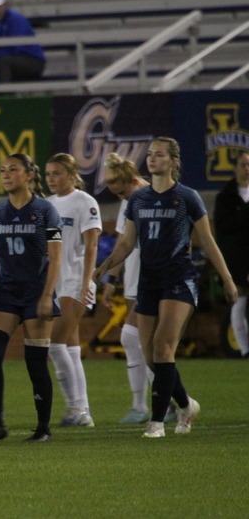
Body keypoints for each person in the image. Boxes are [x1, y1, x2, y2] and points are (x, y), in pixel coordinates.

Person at [94, 137, 238, 438]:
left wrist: (226, 278)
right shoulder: (138, 199)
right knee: (149, 354)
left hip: (179, 279)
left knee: (162, 346)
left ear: (173, 161)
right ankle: (186, 404)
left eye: (159, 155)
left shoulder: (187, 196)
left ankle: (157, 422)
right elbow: (127, 242)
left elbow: (208, 241)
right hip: (149, 281)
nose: (152, 159)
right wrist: (104, 268)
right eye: (150, 154)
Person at [0, 153, 61, 444]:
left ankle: (43, 428)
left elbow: (55, 257)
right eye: (2, 170)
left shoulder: (45, 211)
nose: (6, 174)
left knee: (35, 364)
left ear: (28, 175)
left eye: (13, 169)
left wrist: (48, 295)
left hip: (36, 294)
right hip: (5, 295)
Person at [45, 153, 101, 427]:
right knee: (70, 348)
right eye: (48, 174)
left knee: (53, 344)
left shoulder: (84, 202)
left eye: (57, 173)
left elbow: (91, 245)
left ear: (71, 174)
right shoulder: (47, 205)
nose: (51, 179)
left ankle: (76, 408)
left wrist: (86, 282)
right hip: (56, 281)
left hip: (76, 280)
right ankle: (81, 410)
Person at [101, 153, 154, 424]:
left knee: (135, 340)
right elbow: (122, 242)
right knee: (146, 344)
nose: (121, 197)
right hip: (134, 279)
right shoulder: (129, 202)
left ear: (134, 179)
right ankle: (160, 404)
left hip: (154, 279)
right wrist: (111, 279)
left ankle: (148, 405)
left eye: (123, 191)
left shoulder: (156, 199)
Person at [214, 150, 249, 358]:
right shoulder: (226, 197)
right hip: (236, 259)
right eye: (243, 164)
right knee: (240, 300)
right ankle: (244, 349)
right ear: (235, 168)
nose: (247, 168)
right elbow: (224, 231)